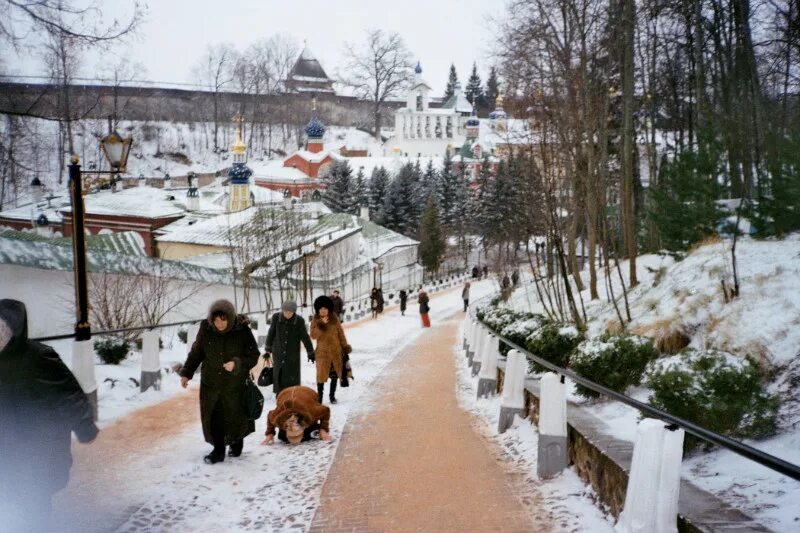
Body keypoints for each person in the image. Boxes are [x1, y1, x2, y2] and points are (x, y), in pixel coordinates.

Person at [0, 299, 99, 532]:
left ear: (13, 330)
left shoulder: (38, 356)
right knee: (13, 493)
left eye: (1, 329)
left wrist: (85, 427)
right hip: (7, 443)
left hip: (38, 443)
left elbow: (69, 393)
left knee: (33, 498)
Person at [180, 299, 260, 464]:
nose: (219, 324)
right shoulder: (206, 328)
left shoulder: (241, 330)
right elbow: (197, 353)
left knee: (235, 416)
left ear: (230, 318)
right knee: (214, 417)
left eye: (223, 319)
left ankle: (236, 442)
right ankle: (218, 450)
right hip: (212, 383)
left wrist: (236, 363)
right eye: (216, 320)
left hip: (235, 384)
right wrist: (187, 373)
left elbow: (253, 355)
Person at [264, 300, 315, 395]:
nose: (287, 314)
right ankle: (279, 395)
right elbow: (271, 332)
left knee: (292, 376)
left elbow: (305, 337)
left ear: (294, 312)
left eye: (290, 312)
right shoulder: (276, 317)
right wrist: (268, 348)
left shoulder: (299, 321)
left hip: (292, 353)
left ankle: (292, 394)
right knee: (279, 373)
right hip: (278, 351)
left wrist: (310, 352)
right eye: (285, 311)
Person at [310, 295, 351, 404]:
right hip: (322, 354)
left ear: (329, 309)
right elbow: (313, 335)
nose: (323, 311)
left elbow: (341, 334)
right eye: (321, 309)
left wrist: (345, 346)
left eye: (325, 308)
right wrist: (321, 325)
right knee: (321, 376)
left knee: (334, 376)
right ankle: (320, 398)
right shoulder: (315, 319)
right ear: (318, 309)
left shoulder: (334, 318)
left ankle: (332, 396)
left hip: (335, 352)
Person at [261, 385, 332, 445]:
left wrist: (323, 429)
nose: (292, 426)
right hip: (295, 393)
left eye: (290, 429)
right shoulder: (310, 414)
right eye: (295, 429)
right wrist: (270, 434)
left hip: (297, 392)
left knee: (282, 437)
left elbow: (326, 410)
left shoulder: (311, 412)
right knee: (282, 437)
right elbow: (326, 410)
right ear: (303, 428)